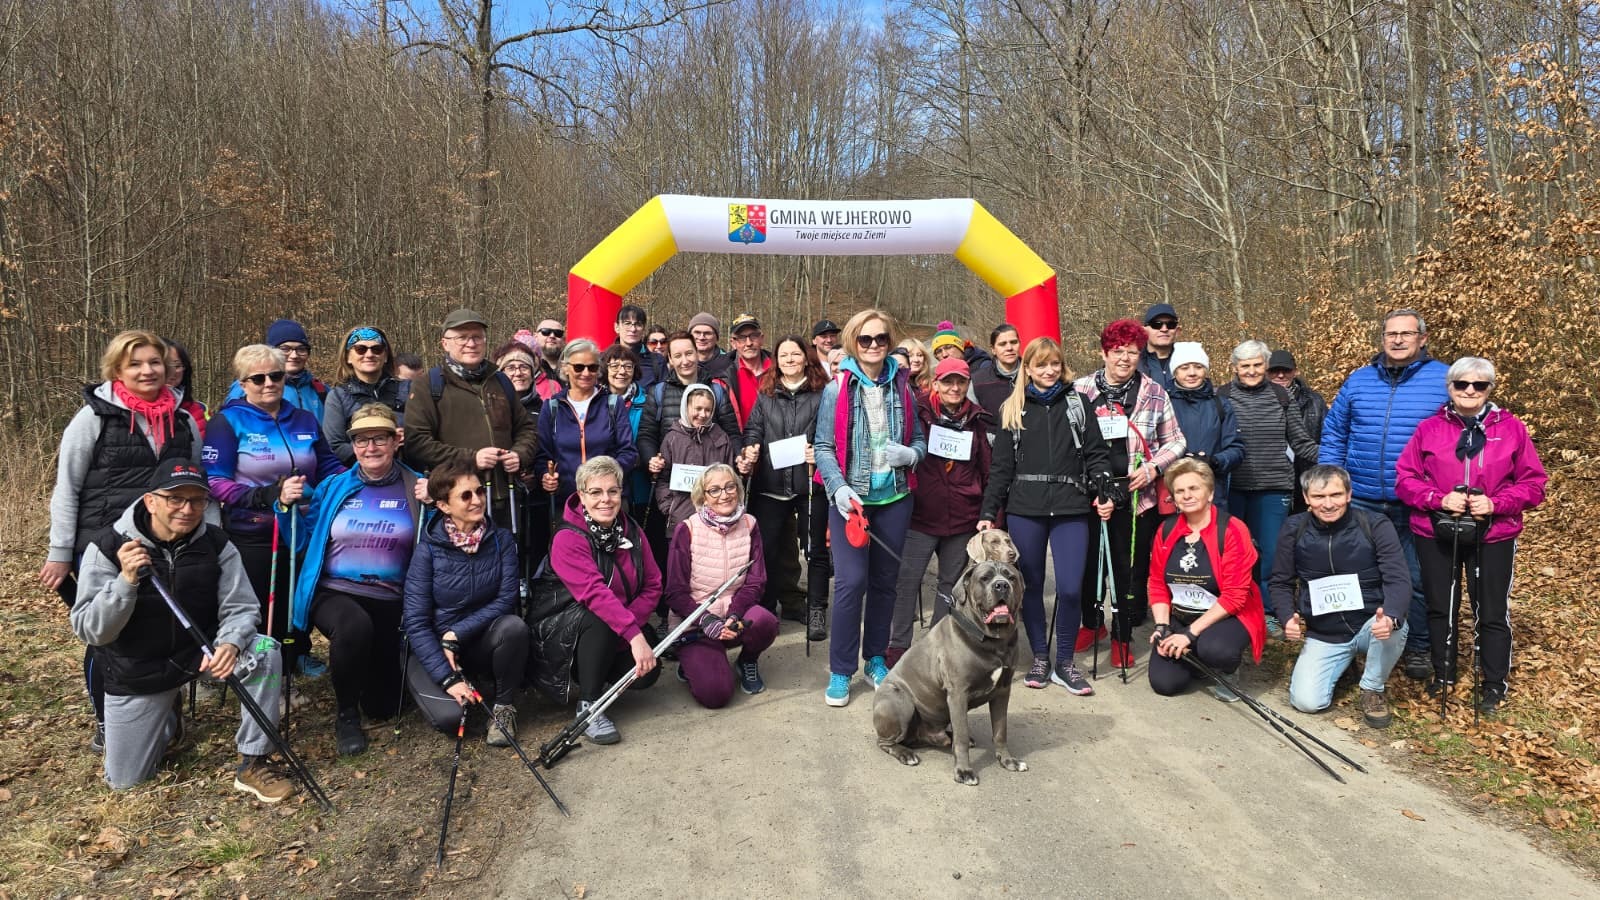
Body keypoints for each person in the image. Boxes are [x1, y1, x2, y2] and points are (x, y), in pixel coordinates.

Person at [71, 460, 292, 801]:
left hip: (202, 652)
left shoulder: (216, 543)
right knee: (126, 782)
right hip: (139, 668)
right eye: (175, 499)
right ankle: (168, 715)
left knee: (265, 651)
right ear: (151, 501)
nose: (187, 509)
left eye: (197, 500)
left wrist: (230, 643)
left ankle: (254, 759)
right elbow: (91, 631)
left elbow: (242, 606)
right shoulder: (108, 547)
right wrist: (126, 581)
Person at [45, 330, 205, 752]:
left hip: (166, 545)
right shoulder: (93, 419)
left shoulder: (184, 420)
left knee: (164, 628)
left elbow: (197, 488)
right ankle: (107, 721)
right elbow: (67, 488)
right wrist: (60, 552)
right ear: (116, 370)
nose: (147, 371)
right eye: (135, 364)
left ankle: (164, 716)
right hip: (102, 546)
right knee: (109, 638)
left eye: (155, 362)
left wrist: (209, 537)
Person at [1394, 357, 1546, 716]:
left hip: (1493, 533)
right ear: (1450, 387)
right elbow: (1405, 478)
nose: (1470, 391)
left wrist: (1496, 503)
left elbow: (1534, 483)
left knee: (1491, 610)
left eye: (1479, 385)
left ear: (1490, 389)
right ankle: (1443, 673)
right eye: (1462, 384)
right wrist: (1437, 498)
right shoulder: (1429, 428)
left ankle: (1493, 683)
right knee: (1440, 605)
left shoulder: (1511, 428)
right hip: (1436, 529)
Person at [979, 340, 1116, 692]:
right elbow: (1001, 468)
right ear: (1027, 369)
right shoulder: (1013, 408)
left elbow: (1097, 454)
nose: (1049, 370)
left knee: (1070, 588)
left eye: (1055, 363)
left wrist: (1102, 490)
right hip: (1026, 507)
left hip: (1071, 505)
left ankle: (1065, 662)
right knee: (1031, 586)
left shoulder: (1078, 404)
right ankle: (1040, 656)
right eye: (1041, 365)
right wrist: (988, 512)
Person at [1320, 309, 1449, 681]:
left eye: (1406, 333)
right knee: (1353, 576)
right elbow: (1335, 433)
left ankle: (1419, 647)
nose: (1398, 340)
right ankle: (1351, 645)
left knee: (1415, 577)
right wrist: (1331, 482)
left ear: (1422, 338)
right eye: (1391, 333)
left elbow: (1458, 436)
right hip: (1360, 497)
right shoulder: (1359, 380)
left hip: (1416, 501)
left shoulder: (1444, 380)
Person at [204, 344, 344, 672]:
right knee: (259, 603)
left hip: (303, 528)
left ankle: (296, 655)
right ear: (243, 383)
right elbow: (215, 482)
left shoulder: (304, 419)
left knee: (296, 598)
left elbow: (329, 466)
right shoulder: (228, 421)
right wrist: (265, 495)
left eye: (276, 376)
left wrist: (361, 481)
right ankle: (259, 666)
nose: (269, 383)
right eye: (258, 378)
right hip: (255, 529)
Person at [292, 405, 423, 755]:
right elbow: (303, 541)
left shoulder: (416, 488)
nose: (370, 447)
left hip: (391, 598)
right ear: (352, 445)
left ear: (396, 441)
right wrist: (285, 510)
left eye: (379, 438)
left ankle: (366, 679)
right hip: (335, 592)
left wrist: (435, 502)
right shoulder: (334, 487)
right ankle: (346, 715)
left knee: (383, 706)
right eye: (361, 440)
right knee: (354, 626)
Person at [815, 308, 926, 707]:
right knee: (850, 583)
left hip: (894, 498)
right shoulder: (837, 389)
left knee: (885, 582)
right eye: (866, 339)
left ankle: (875, 658)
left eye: (881, 338)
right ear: (853, 342)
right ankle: (841, 669)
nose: (874, 345)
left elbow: (919, 439)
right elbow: (823, 446)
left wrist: (911, 455)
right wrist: (839, 488)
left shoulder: (903, 387)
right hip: (851, 502)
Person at [1073, 319, 1186, 666]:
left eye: (1132, 352)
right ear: (1104, 353)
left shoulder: (1154, 392)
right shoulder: (1079, 390)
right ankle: (1092, 623)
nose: (1124, 358)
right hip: (1088, 494)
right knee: (1088, 566)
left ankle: (1122, 634)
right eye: (1117, 351)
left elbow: (1177, 441)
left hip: (1136, 496)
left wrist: (1152, 468)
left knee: (1128, 570)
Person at [533, 455, 663, 745]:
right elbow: (594, 594)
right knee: (602, 616)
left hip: (614, 627)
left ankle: (598, 668)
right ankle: (589, 705)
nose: (606, 499)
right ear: (581, 495)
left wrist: (630, 629)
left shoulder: (631, 530)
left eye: (612, 491)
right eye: (595, 492)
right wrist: (633, 635)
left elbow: (653, 583)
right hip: (563, 636)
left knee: (647, 673)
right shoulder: (568, 537)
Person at [1271, 464, 1412, 728]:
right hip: (1325, 632)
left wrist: (1391, 615)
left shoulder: (1375, 524)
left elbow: (1398, 578)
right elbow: (1280, 581)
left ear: (1348, 494)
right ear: (1306, 498)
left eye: (1335, 495)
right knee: (1306, 702)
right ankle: (1343, 664)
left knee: (1395, 625)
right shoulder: (1294, 528)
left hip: (1371, 623)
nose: (1328, 504)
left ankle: (1372, 688)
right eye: (1319, 497)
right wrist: (1287, 617)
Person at [403, 460, 528, 744]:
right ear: (443, 505)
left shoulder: (501, 540)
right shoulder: (427, 552)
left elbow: (506, 598)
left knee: (514, 627)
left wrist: (456, 633)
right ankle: (458, 682)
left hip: (477, 639)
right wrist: (448, 678)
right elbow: (416, 622)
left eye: (479, 491)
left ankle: (503, 708)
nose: (477, 500)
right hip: (436, 647)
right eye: (466, 495)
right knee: (451, 719)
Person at [888, 357, 996, 665]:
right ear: (935, 383)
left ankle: (935, 647)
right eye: (948, 381)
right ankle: (897, 646)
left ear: (967, 384)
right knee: (907, 582)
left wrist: (989, 514)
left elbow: (987, 471)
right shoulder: (919, 413)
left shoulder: (977, 420)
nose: (954, 387)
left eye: (960, 381)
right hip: (921, 515)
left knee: (950, 585)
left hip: (963, 517)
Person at [403, 308, 538, 531]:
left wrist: (519, 454)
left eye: (477, 337)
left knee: (506, 553)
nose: (471, 343)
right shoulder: (428, 385)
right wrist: (472, 458)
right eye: (462, 337)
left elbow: (526, 429)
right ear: (445, 343)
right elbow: (417, 442)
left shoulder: (501, 381)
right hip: (456, 500)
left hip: (505, 499)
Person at [1218, 340, 1319, 636]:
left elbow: (1300, 441)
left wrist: (1336, 458)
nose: (1251, 371)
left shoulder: (1281, 395)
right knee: (1233, 552)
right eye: (1245, 366)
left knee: (1271, 553)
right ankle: (1234, 608)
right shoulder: (1221, 396)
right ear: (1235, 367)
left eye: (1257, 364)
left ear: (1265, 365)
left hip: (1274, 487)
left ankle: (1270, 612)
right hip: (1232, 487)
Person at [1146, 458, 1266, 700]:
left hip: (1227, 616)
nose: (1187, 495)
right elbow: (1157, 583)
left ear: (1210, 493)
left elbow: (1235, 596)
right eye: (1180, 491)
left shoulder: (1232, 530)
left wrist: (1190, 634)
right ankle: (1196, 658)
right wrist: (1162, 627)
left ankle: (1226, 668)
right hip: (1181, 614)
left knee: (1217, 650)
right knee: (1164, 684)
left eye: (1194, 488)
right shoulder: (1166, 530)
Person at [665, 465, 775, 704]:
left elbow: (755, 582)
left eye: (729, 487)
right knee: (716, 695)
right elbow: (675, 593)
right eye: (714, 490)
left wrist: (734, 615)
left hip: (733, 616)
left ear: (738, 489)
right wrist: (707, 621)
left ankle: (747, 660)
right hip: (697, 623)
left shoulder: (750, 524)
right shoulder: (687, 529)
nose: (724, 495)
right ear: (702, 496)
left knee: (766, 622)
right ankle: (693, 662)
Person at [740, 336, 829, 629]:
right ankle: (765, 610)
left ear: (806, 358)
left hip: (809, 483)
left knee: (815, 550)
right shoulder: (766, 394)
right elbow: (753, 429)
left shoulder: (823, 393)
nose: (790, 359)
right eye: (784, 355)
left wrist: (820, 451)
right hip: (771, 484)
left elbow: (832, 433)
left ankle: (816, 608)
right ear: (776, 361)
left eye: (795, 354)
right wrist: (751, 447)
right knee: (766, 549)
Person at [636, 331, 741, 571]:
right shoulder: (659, 392)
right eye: (678, 355)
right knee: (674, 557)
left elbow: (732, 433)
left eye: (689, 353)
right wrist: (651, 459)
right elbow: (646, 434)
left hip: (713, 492)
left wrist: (739, 457)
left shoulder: (716, 390)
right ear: (670, 360)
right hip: (675, 490)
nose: (685, 360)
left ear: (697, 353)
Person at [535, 339, 638, 516]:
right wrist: (545, 475)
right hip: (567, 503)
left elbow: (628, 452)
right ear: (565, 368)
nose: (586, 373)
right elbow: (542, 456)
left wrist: (603, 477)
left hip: (608, 502)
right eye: (578, 367)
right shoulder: (552, 407)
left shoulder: (613, 404)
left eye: (592, 367)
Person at [650, 383, 738, 534]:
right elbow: (663, 479)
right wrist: (669, 507)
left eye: (708, 410)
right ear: (686, 408)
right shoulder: (672, 438)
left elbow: (730, 478)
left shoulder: (721, 438)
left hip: (716, 521)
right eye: (698, 409)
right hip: (681, 519)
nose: (702, 414)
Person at [1166, 342, 1244, 503]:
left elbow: (1236, 448)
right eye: (1184, 368)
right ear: (1175, 372)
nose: (1192, 373)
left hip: (1212, 491)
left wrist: (1214, 461)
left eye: (1198, 367)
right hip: (1172, 491)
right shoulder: (1163, 403)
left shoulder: (1220, 404)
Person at [322, 326, 410, 465]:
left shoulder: (409, 389)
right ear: (348, 357)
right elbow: (334, 446)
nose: (369, 354)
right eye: (360, 349)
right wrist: (376, 449)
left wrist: (409, 437)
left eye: (377, 349)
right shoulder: (338, 396)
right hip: (358, 472)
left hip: (408, 469)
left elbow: (428, 433)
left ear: (386, 356)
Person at [224, 319, 329, 422]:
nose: (294, 355)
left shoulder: (320, 390)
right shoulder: (249, 385)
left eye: (301, 349)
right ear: (272, 352)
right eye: (285, 349)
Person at [1267, 348, 1327, 512]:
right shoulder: (1256, 402)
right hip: (1270, 481)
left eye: (1286, 370)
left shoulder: (1314, 401)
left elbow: (1327, 438)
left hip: (1307, 477)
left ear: (1295, 372)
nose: (1280, 375)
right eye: (1274, 370)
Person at [601, 343, 652, 525]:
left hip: (639, 482)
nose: (621, 371)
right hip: (606, 481)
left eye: (628, 366)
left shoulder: (647, 402)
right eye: (615, 366)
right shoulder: (596, 402)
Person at [727, 313, 773, 427]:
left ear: (761, 338)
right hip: (741, 437)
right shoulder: (726, 376)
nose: (749, 343)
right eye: (742, 338)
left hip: (777, 437)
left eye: (754, 336)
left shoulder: (778, 368)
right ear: (733, 343)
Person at [969, 324, 1021, 415]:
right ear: (993, 349)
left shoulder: (1033, 375)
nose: (1009, 348)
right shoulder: (977, 381)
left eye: (1013, 342)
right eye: (1002, 344)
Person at [613, 304, 666, 389]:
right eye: (627, 323)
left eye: (638, 324)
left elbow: (665, 394)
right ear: (617, 327)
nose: (633, 329)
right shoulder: (604, 360)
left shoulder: (657, 361)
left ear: (644, 329)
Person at [163, 338, 207, 439]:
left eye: (177, 365)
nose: (171, 371)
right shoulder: (133, 410)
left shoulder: (196, 410)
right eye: (165, 364)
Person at [1139, 303, 1181, 390]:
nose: (1164, 329)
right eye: (1156, 325)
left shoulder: (1188, 361)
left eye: (1170, 324)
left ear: (1177, 331)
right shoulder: (1133, 362)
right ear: (1144, 331)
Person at [533, 318, 567, 400]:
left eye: (558, 333)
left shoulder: (574, 366)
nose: (552, 336)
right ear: (535, 337)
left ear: (563, 339)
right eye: (546, 332)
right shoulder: (528, 367)